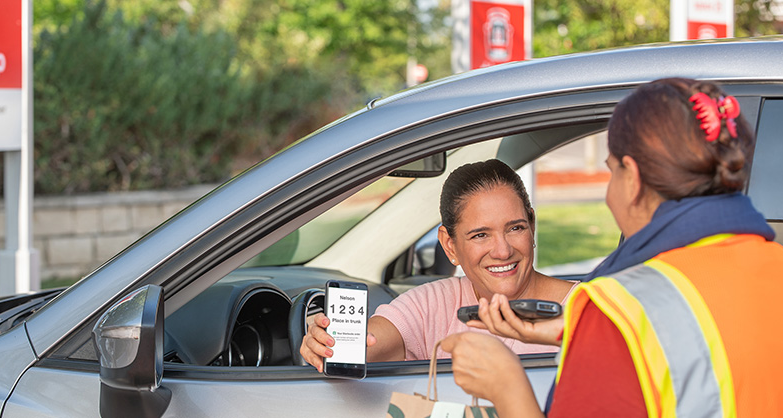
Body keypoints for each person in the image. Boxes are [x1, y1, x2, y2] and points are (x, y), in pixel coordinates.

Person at [441, 78, 783, 417]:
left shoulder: (621, 311)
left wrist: (506, 384)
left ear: (631, 178)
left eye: (611, 172)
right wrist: (581, 333)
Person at [299, 159, 577, 371]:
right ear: (449, 246)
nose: (503, 251)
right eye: (481, 235)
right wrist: (328, 343)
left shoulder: (590, 308)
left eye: (515, 228)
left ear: (532, 224)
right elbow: (369, 343)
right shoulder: (435, 303)